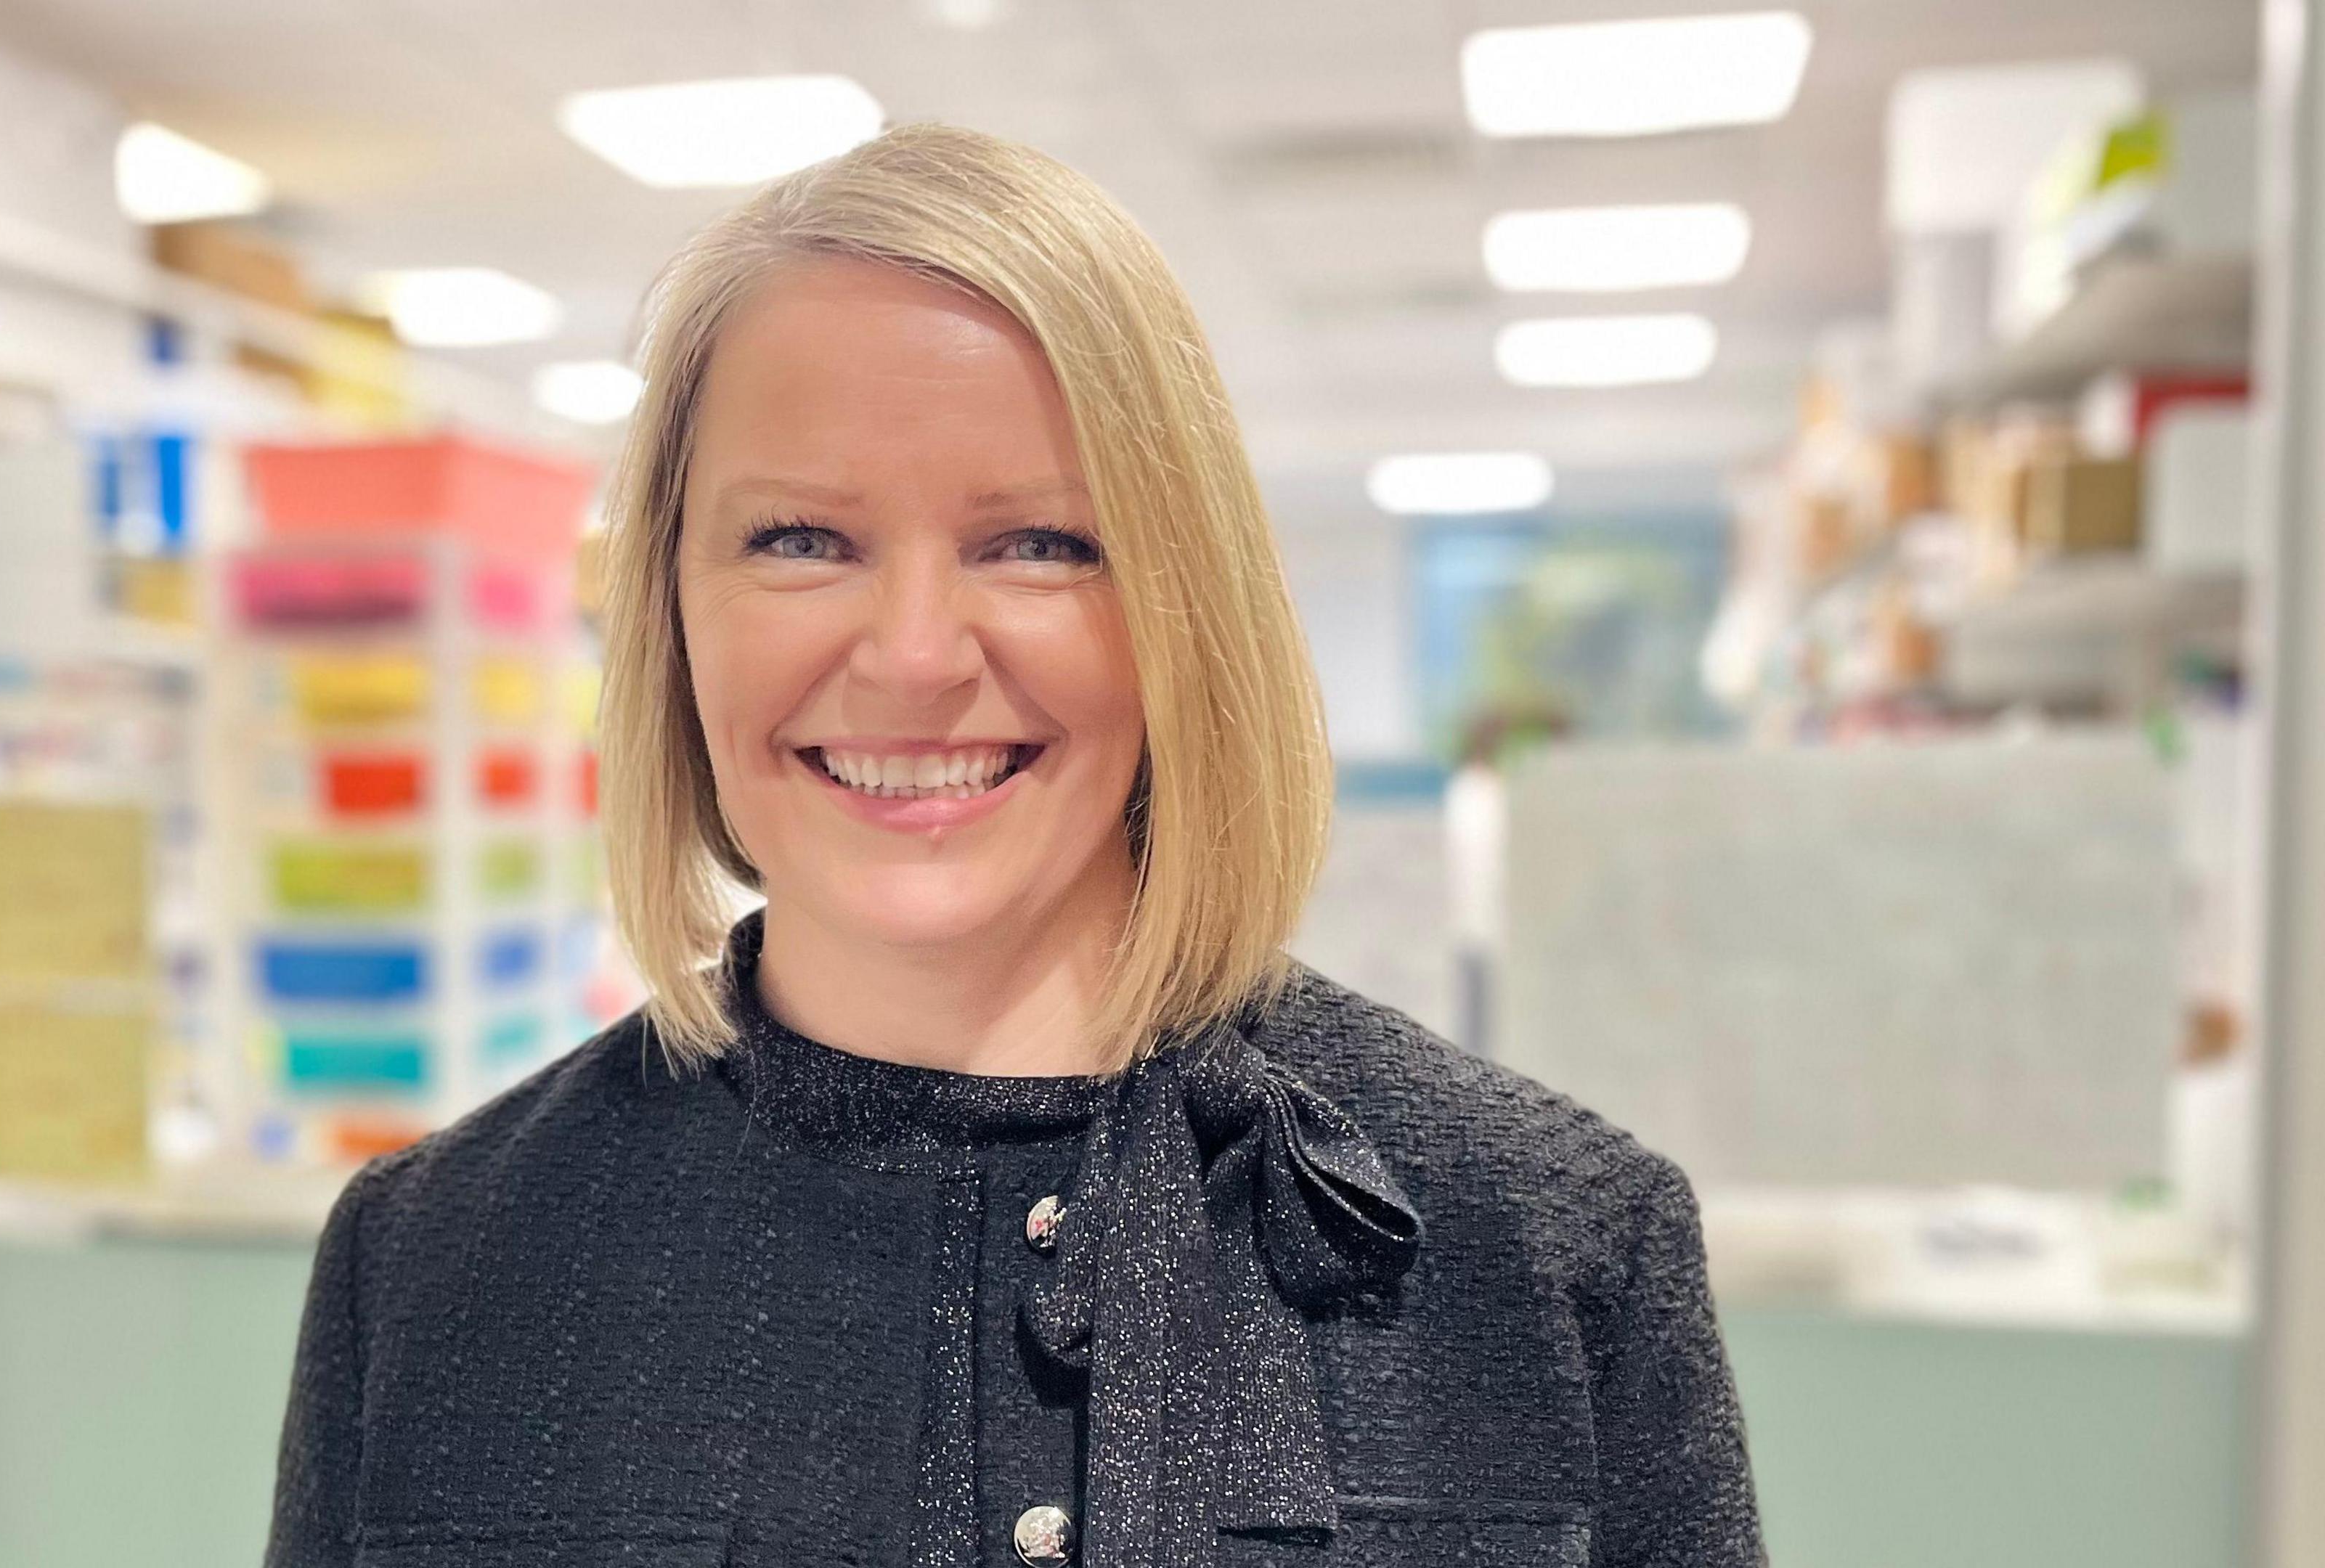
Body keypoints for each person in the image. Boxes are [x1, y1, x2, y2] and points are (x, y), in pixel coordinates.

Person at [265, 122, 1764, 1568]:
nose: (915, 657)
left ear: (1192, 608)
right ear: (668, 606)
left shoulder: (1562, 1253)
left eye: (1041, 542)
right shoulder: (431, 1270)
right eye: (799, 539)